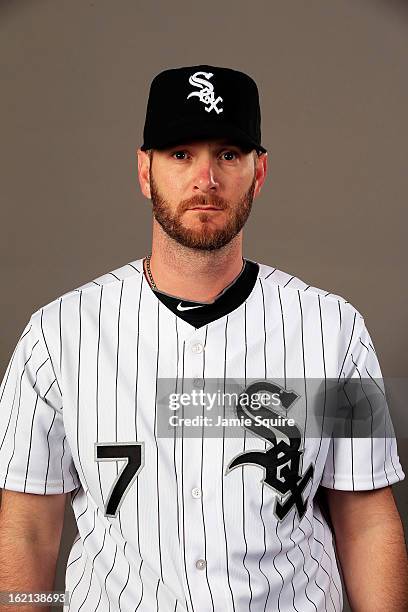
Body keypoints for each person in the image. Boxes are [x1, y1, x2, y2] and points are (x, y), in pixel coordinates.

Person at [0, 64, 406, 612]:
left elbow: (366, 519)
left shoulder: (334, 328)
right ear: (145, 171)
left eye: (229, 155)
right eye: (181, 154)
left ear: (258, 174)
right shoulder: (58, 334)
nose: (206, 180)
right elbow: (29, 528)